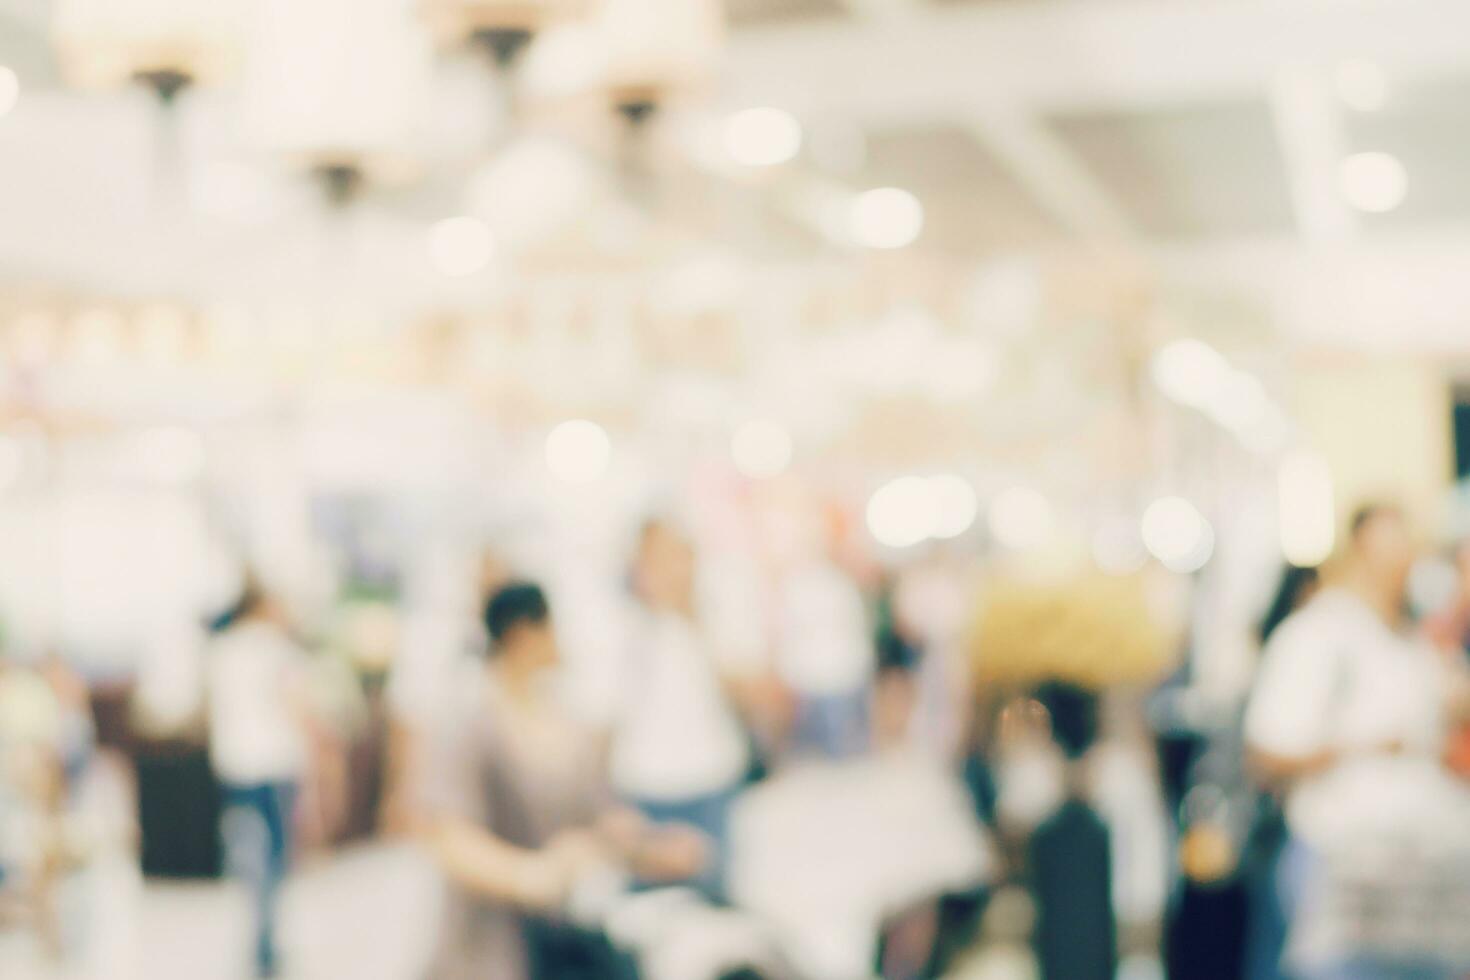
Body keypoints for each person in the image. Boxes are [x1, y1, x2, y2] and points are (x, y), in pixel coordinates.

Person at [424, 581, 699, 980]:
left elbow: (601, 818)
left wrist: (651, 848)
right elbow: (449, 839)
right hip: (495, 947)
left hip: (571, 937)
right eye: (551, 628)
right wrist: (532, 875)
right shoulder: (472, 722)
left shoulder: (560, 715)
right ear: (522, 636)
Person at [1245, 504, 1470, 980]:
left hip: (1422, 884)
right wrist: (1368, 745)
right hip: (1344, 877)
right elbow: (1267, 751)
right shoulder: (1317, 634)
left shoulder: (1412, 640)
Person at [609, 519, 752, 899]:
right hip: (643, 785)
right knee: (649, 903)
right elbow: (602, 718)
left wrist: (696, 620)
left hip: (710, 777)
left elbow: (750, 694)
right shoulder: (621, 624)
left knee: (712, 895)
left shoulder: (716, 614)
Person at [206, 582, 313, 979]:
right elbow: (296, 705)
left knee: (249, 851)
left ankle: (260, 934)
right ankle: (265, 940)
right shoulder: (276, 647)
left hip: (235, 764)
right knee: (275, 858)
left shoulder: (221, 649)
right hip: (276, 763)